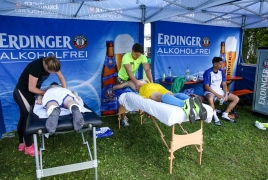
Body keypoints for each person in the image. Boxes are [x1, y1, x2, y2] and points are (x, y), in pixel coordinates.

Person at [13, 56, 67, 156]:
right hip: (22, 93)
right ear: (46, 66)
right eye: (50, 71)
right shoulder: (36, 68)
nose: (52, 73)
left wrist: (65, 91)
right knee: (27, 119)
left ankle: (22, 144)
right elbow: (31, 88)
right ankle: (28, 147)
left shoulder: (52, 63)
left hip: (29, 93)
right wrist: (46, 93)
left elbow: (61, 77)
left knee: (23, 117)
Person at [114, 80, 208, 123]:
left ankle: (184, 104)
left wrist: (114, 87)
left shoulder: (134, 82)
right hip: (156, 85)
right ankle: (191, 100)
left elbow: (116, 87)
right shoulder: (146, 80)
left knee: (158, 97)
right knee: (173, 94)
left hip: (146, 88)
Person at [114, 43, 154, 126]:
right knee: (124, 98)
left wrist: (152, 82)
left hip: (132, 79)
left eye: (139, 55)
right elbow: (129, 72)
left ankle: (145, 109)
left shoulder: (142, 57)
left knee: (139, 91)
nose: (137, 57)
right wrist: (136, 82)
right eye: (136, 54)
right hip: (121, 79)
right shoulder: (126, 57)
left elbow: (147, 69)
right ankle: (123, 117)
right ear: (132, 51)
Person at [203, 57, 239, 126]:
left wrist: (225, 94)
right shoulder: (208, 72)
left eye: (221, 63)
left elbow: (224, 84)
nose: (221, 65)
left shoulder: (221, 72)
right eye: (220, 64)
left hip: (219, 91)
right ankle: (215, 116)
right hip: (210, 91)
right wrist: (216, 95)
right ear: (215, 64)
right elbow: (206, 87)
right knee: (210, 98)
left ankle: (225, 114)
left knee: (236, 98)